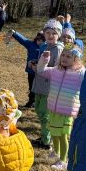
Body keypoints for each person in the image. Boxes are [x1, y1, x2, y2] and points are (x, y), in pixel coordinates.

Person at [37, 44, 85, 170]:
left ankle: (63, 160)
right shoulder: (55, 70)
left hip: (67, 111)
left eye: (69, 56)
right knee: (54, 132)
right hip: (53, 108)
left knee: (63, 136)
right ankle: (56, 152)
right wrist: (44, 59)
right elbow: (40, 70)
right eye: (63, 55)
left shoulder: (81, 73)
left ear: (76, 59)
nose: (64, 58)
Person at [30, 19, 64, 149]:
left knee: (45, 115)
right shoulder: (44, 45)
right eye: (48, 32)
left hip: (49, 87)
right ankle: (45, 135)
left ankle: (46, 141)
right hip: (39, 84)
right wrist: (34, 62)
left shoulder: (58, 49)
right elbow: (42, 61)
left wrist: (39, 69)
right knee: (38, 110)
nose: (50, 35)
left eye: (54, 33)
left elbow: (57, 69)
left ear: (58, 35)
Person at [7, 29, 45, 108]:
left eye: (41, 40)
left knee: (39, 88)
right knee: (31, 87)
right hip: (31, 71)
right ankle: (31, 101)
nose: (39, 42)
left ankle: (38, 102)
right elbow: (23, 40)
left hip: (41, 72)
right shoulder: (31, 45)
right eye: (38, 40)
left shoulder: (47, 48)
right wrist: (15, 33)